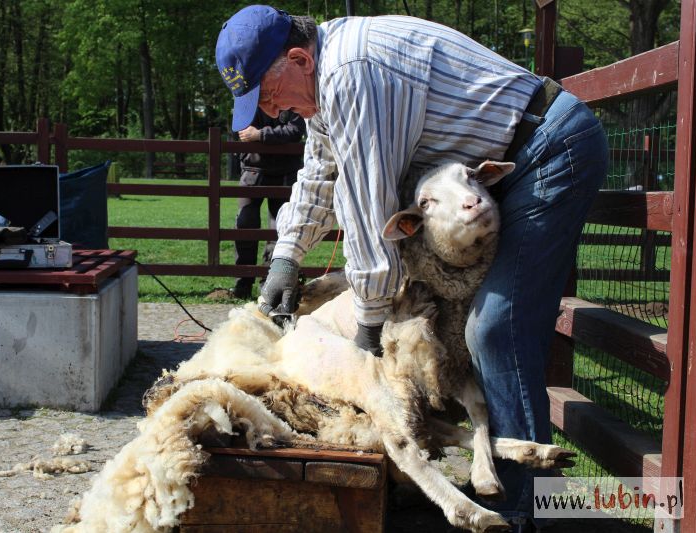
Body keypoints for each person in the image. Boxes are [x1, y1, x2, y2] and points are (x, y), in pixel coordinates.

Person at [216, 5, 608, 529]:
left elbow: (367, 206)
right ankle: (501, 480)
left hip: (548, 150)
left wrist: (370, 324)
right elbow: (320, 173)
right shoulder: (327, 86)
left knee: (495, 328)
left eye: (268, 94)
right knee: (464, 323)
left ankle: (530, 508)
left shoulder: (353, 74)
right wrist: (287, 256)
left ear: (297, 59)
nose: (269, 112)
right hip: (501, 170)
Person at [231, 107, 305, 299]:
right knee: (245, 224)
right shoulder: (248, 98)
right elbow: (242, 131)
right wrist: (268, 136)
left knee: (278, 230)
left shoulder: (292, 99)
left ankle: (269, 284)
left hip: (285, 173)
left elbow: (295, 131)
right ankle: (243, 282)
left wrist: (260, 134)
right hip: (252, 170)